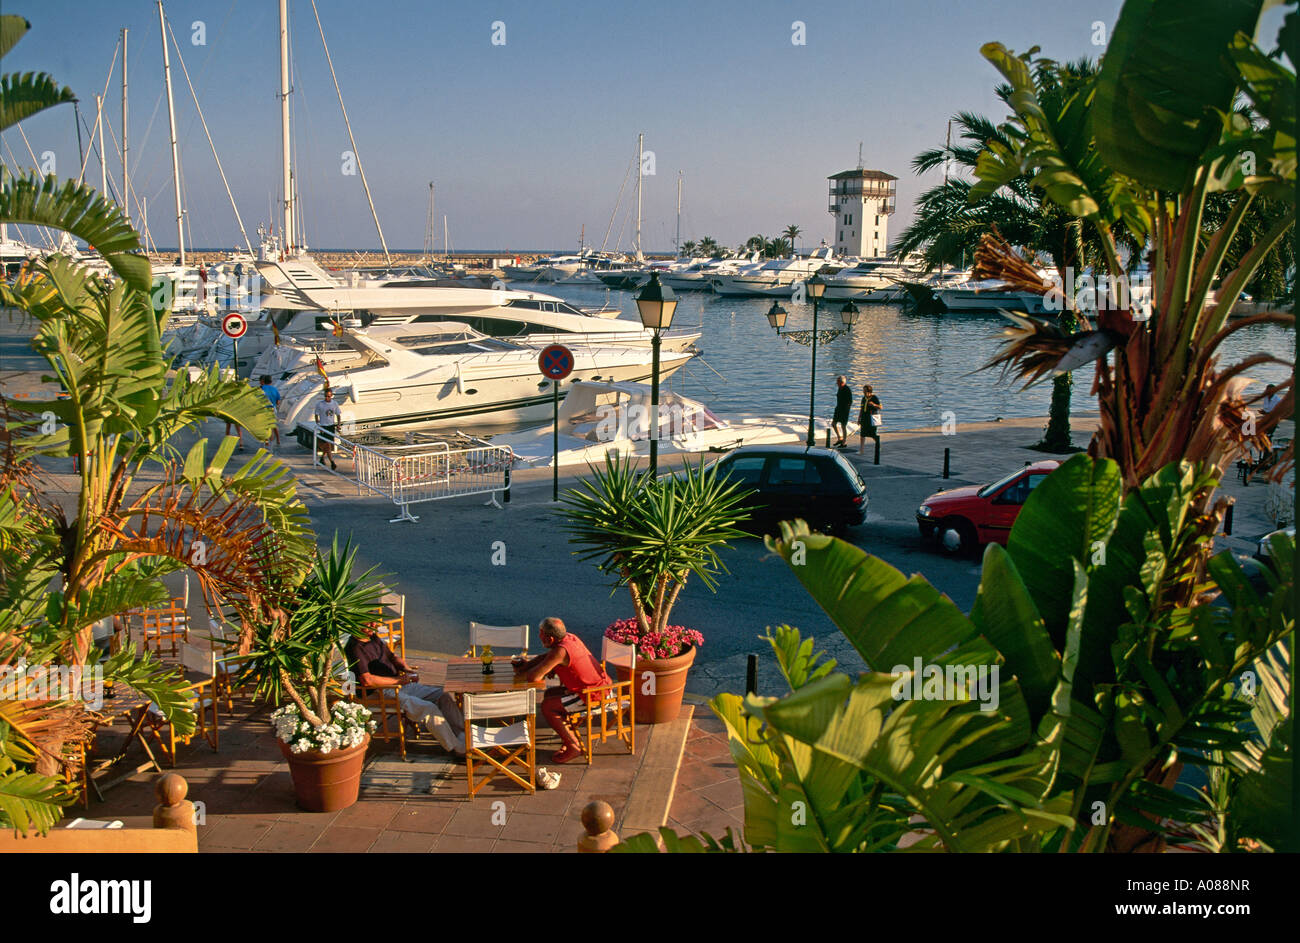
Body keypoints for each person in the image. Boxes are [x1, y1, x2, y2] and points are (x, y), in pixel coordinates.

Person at [345, 622, 465, 755]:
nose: (374, 625)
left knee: (443, 695)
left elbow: (392, 657)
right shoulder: (355, 647)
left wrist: (408, 671)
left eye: (374, 620)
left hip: (398, 685)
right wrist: (399, 680)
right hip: (380, 692)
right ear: (357, 623)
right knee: (428, 708)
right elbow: (367, 680)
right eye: (369, 622)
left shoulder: (372, 637)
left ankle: (461, 735)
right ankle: (456, 748)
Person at [513, 617, 610, 764]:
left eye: (541, 634)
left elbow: (534, 677)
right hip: (601, 687)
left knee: (548, 707)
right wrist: (529, 665)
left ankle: (573, 746)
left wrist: (529, 670)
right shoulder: (570, 638)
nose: (539, 636)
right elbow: (546, 657)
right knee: (549, 695)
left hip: (592, 695)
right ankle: (569, 736)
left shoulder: (560, 652)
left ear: (550, 638)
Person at [314, 387, 341, 470]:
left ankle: (322, 458)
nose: (327, 398)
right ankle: (332, 462)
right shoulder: (320, 404)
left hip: (331, 426)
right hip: (323, 426)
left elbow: (338, 414)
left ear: (331, 396)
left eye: (328, 396)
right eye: (326, 396)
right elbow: (316, 415)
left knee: (328, 444)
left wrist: (338, 424)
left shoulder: (334, 404)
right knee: (327, 445)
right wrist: (318, 424)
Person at [259, 375, 281, 449]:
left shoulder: (261, 388)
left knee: (265, 426)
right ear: (271, 382)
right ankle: (277, 440)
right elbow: (278, 402)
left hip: (264, 409)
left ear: (263, 381)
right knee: (273, 425)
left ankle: (267, 442)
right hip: (273, 409)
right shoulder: (275, 389)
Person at [858, 384, 882, 453]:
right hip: (864, 418)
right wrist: (859, 418)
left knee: (872, 434)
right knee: (862, 434)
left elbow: (880, 407)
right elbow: (861, 409)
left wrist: (873, 404)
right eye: (863, 391)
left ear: (869, 391)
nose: (863, 392)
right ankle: (861, 450)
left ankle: (878, 445)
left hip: (871, 418)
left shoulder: (874, 398)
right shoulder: (863, 398)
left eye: (865, 391)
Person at [832, 375, 852, 448]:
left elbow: (850, 401)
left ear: (841, 382)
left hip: (844, 410)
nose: (836, 383)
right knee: (833, 424)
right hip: (838, 409)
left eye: (838, 382)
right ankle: (839, 438)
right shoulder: (839, 388)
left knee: (843, 426)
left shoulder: (847, 389)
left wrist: (846, 409)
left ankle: (844, 442)